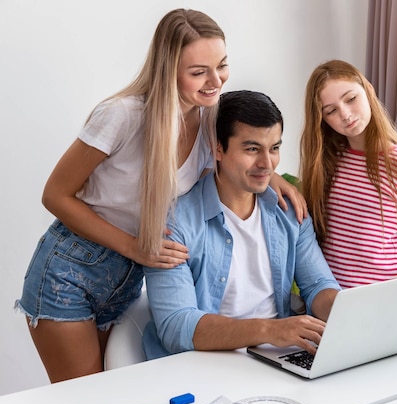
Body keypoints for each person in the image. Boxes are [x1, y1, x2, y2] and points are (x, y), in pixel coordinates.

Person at [15, 9, 304, 383]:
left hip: (130, 278)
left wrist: (273, 177)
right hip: (72, 270)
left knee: (112, 396)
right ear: (169, 69)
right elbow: (55, 195)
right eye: (198, 72)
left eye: (222, 66)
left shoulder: (208, 122)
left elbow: (244, 154)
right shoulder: (122, 116)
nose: (215, 81)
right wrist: (134, 246)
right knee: (82, 400)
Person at [142, 90, 340, 360]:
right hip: (204, 363)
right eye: (252, 149)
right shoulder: (174, 224)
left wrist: (347, 313)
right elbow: (176, 326)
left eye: (274, 148)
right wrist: (268, 330)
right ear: (218, 148)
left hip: (276, 358)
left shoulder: (289, 211)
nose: (266, 164)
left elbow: (318, 283)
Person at [299, 59, 397, 324]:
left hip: (384, 306)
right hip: (331, 309)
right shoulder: (324, 162)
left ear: (368, 89)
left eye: (351, 98)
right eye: (331, 110)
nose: (345, 114)